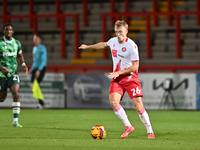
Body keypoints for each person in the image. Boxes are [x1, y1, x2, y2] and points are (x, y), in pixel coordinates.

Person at [79, 20, 155, 139]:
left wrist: (119, 72)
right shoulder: (113, 41)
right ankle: (128, 126)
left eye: (120, 31)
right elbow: (103, 44)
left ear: (126, 31)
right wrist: (88, 46)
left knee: (138, 107)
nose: (118, 34)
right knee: (114, 102)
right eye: (116, 32)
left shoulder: (132, 46)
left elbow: (136, 66)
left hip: (130, 78)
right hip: (117, 79)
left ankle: (150, 130)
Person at [0, 23, 28, 127]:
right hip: (1, 75)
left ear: (13, 31)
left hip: (13, 73)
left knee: (15, 93)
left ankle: (15, 121)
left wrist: (23, 64)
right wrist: (2, 69)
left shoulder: (17, 43)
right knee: (1, 99)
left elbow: (20, 55)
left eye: (10, 30)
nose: (9, 31)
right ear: (3, 32)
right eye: (6, 30)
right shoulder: (0, 44)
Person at [29, 34, 47, 109]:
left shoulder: (42, 48)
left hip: (41, 69)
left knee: (35, 85)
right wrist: (32, 69)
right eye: (34, 39)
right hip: (35, 69)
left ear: (40, 40)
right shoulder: (34, 48)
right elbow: (35, 61)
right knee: (33, 85)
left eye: (36, 39)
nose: (35, 40)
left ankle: (41, 103)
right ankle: (41, 102)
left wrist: (39, 70)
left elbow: (43, 60)